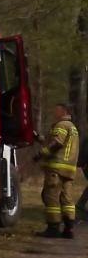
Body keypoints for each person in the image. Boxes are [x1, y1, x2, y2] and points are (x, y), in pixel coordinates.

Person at [36, 102, 79, 238]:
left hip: (56, 167)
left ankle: (53, 228)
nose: (55, 113)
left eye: (57, 110)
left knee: (51, 196)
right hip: (69, 169)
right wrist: (39, 138)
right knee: (67, 198)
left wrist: (41, 154)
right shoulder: (72, 127)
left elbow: (56, 143)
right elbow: (54, 141)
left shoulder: (61, 125)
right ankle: (69, 228)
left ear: (64, 112)